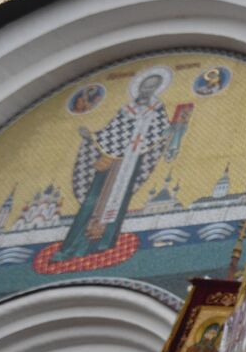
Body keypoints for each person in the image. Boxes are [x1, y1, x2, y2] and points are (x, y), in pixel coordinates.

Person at [56, 66, 172, 260]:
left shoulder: (158, 110)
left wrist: (167, 133)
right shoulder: (126, 110)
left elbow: (162, 132)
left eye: (151, 87)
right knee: (93, 201)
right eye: (144, 86)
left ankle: (104, 242)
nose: (146, 90)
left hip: (132, 163)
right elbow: (110, 132)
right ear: (139, 87)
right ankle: (73, 244)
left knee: (119, 201)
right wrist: (91, 138)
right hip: (111, 162)